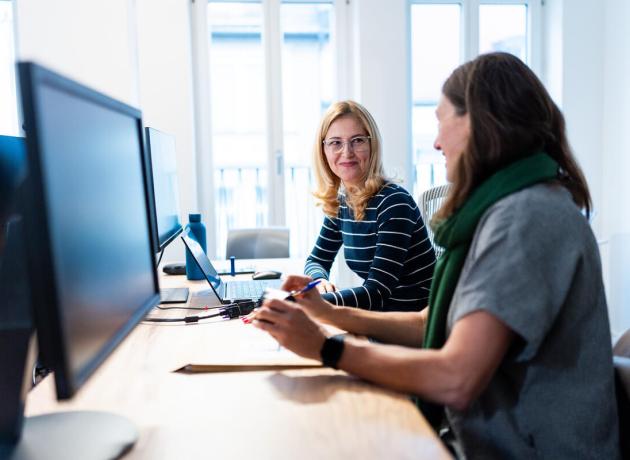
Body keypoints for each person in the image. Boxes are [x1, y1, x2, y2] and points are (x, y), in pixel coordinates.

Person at [251, 53, 620, 459]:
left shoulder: (525, 219)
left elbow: (456, 377)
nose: (437, 142)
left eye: (442, 121)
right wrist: (325, 312)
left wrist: (329, 349)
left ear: (481, 124)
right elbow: (430, 323)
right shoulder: (504, 209)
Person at [305, 100, 436, 312]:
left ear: (371, 145)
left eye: (357, 141)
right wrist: (319, 282)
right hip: (381, 316)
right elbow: (316, 260)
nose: (346, 152)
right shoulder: (342, 201)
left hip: (413, 324)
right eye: (335, 142)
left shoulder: (394, 202)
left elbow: (376, 292)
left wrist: (316, 303)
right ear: (324, 150)